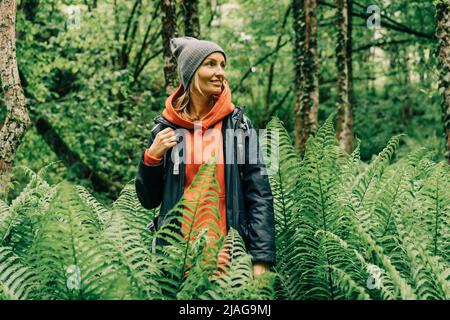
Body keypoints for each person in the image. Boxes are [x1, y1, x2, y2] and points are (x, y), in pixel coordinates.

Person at [135, 36, 275, 277]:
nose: (220, 72)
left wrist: (261, 259)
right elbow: (149, 200)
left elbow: (260, 194)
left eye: (222, 65)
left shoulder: (240, 127)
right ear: (190, 73)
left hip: (229, 263)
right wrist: (152, 158)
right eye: (210, 64)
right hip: (177, 264)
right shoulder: (164, 130)